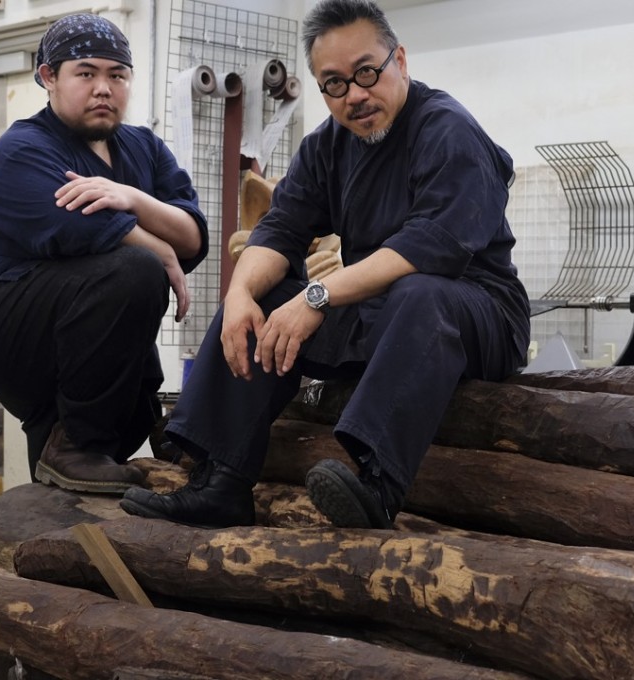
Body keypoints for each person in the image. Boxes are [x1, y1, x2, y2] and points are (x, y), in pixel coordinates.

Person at [120, 0, 530, 529]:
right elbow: (279, 230)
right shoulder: (327, 147)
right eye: (334, 84)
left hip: (476, 316)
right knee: (260, 297)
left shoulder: (447, 130)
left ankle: (376, 486)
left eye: (366, 73)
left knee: (422, 293)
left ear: (400, 61)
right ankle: (219, 480)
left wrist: (318, 297)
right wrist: (241, 295)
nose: (355, 95)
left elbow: (433, 248)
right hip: (380, 316)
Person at [0, 13, 208, 494]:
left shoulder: (144, 148)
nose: (103, 88)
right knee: (135, 268)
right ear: (48, 77)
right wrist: (158, 246)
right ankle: (73, 446)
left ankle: (59, 492)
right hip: (7, 323)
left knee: (119, 423)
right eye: (86, 73)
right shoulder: (23, 149)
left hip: (86, 332)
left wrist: (132, 198)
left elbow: (193, 235)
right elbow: (82, 229)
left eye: (117, 75)